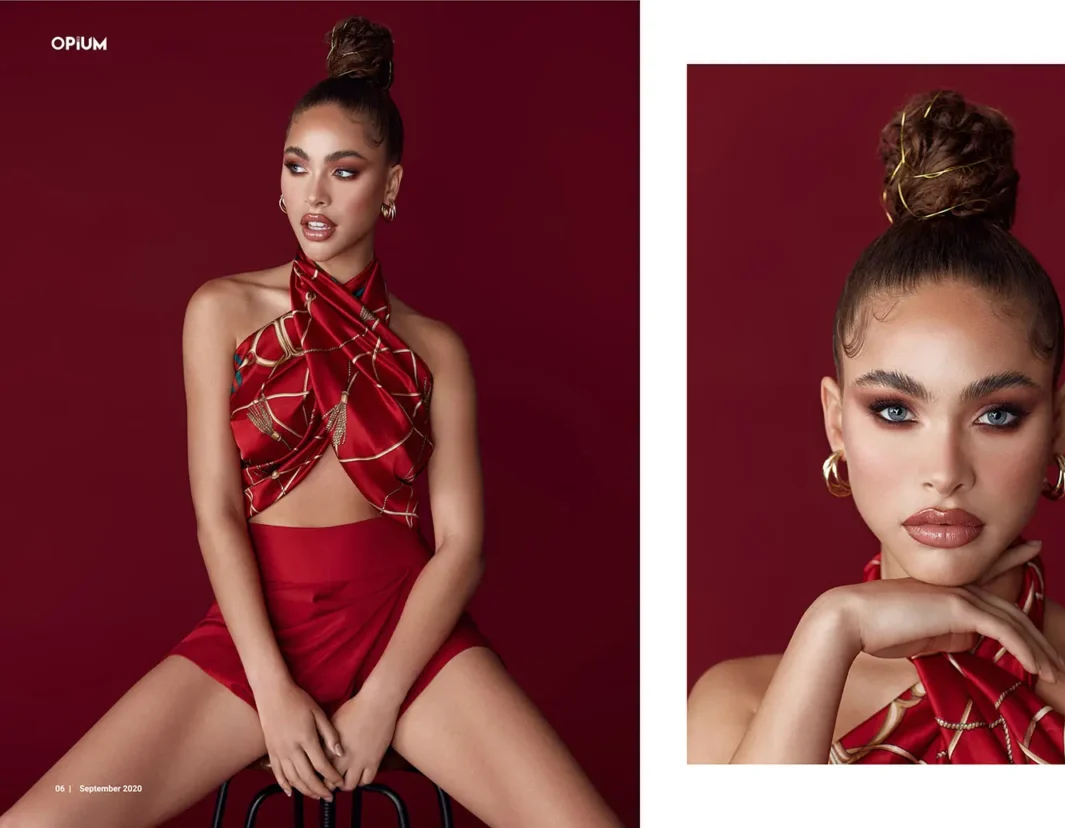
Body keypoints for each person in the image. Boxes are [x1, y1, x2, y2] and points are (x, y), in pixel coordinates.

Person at [1, 17, 620, 828]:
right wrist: (271, 689)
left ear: (391, 186)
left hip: (406, 636)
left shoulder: (436, 349)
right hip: (260, 633)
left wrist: (382, 701)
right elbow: (217, 513)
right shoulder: (220, 311)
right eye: (298, 168)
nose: (315, 195)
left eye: (345, 170)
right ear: (280, 180)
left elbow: (462, 546)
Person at [686, 89, 1065, 765]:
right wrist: (832, 629)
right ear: (836, 423)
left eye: (997, 414)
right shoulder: (736, 710)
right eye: (895, 411)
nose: (945, 470)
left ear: (1058, 425)